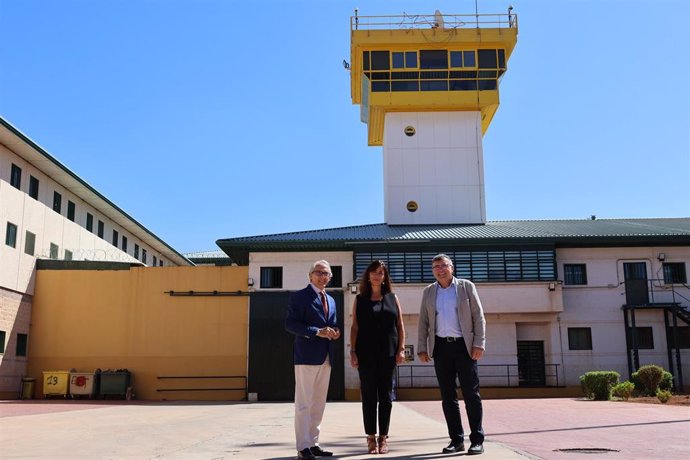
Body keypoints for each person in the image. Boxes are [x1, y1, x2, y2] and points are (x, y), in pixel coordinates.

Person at [417, 254, 486, 456]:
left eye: (444, 265)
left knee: (471, 395)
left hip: (464, 347)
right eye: (436, 267)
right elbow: (423, 322)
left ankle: (477, 440)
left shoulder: (466, 287)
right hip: (441, 348)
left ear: (452, 268)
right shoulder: (429, 292)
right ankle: (456, 440)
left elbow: (478, 317)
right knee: (448, 397)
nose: (440, 269)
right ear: (433, 271)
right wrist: (422, 347)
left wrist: (479, 343)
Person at [285, 260, 341, 459]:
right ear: (310, 275)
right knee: (304, 404)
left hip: (326, 356)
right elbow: (291, 324)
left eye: (326, 273)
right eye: (318, 272)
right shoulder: (300, 297)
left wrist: (335, 332)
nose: (322, 276)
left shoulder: (332, 300)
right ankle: (303, 447)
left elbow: (332, 324)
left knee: (318, 403)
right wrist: (317, 332)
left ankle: (313, 443)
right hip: (306, 356)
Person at [350, 260, 405, 455]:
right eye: (373, 272)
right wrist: (353, 351)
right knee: (369, 397)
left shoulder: (392, 298)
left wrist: (401, 350)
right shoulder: (360, 299)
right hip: (365, 355)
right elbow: (355, 327)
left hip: (388, 354)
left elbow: (399, 326)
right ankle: (370, 437)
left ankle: (384, 438)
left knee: (386, 397)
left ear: (384, 277)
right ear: (368, 275)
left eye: (380, 273)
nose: (376, 275)